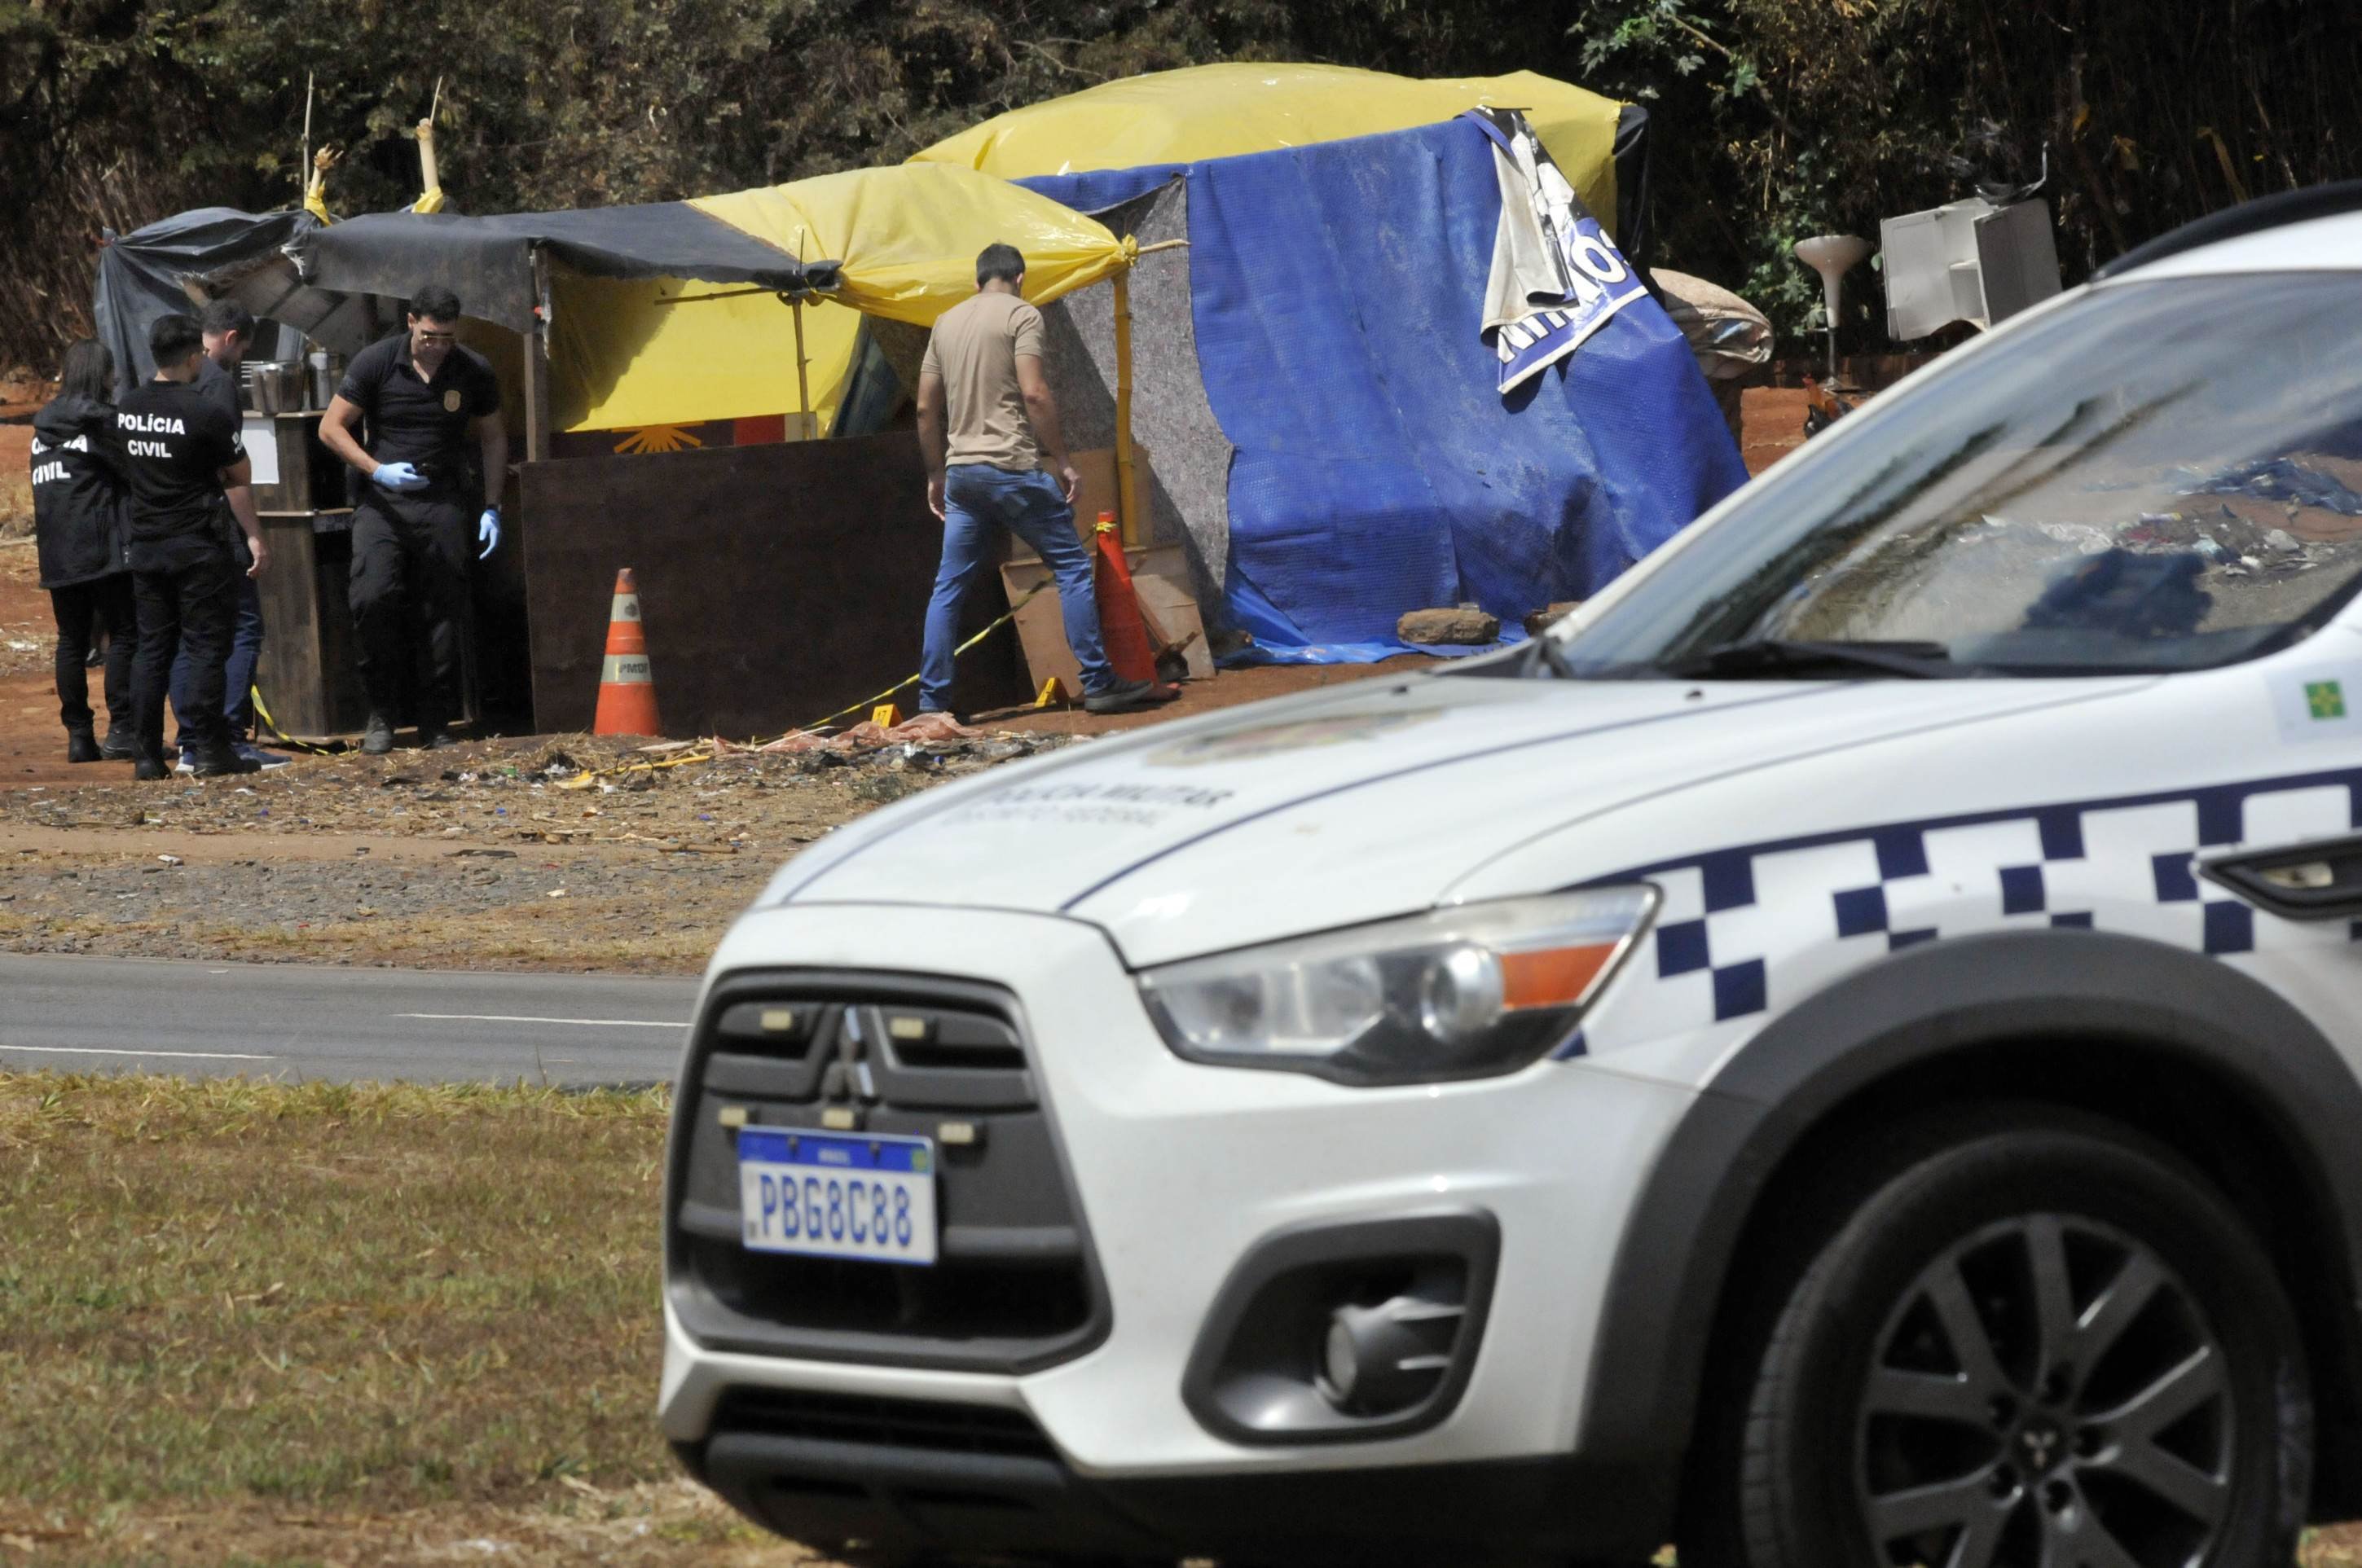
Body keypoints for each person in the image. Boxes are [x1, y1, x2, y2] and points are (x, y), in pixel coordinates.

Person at [915, 243, 1159, 717]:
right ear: (1020, 278)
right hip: (1011, 469)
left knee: (948, 589)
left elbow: (926, 408)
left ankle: (932, 704)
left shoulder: (945, 322)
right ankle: (1099, 681)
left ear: (977, 282)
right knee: (1069, 567)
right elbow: (1035, 393)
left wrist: (934, 474)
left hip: (963, 476)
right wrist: (1064, 460)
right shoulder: (1022, 316)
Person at [318, 285, 506, 754]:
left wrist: (492, 506)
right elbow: (330, 427)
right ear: (410, 322)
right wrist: (376, 469)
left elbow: (493, 438)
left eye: (446, 337)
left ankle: (435, 721)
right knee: (373, 597)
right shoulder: (377, 362)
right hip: (383, 503)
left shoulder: (472, 369)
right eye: (429, 336)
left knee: (442, 613)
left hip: (443, 501)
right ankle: (381, 712)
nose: (437, 345)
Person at [117, 313, 268, 779]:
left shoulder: (127, 407)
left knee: (152, 648)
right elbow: (240, 474)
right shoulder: (204, 411)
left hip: (146, 543)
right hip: (197, 545)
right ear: (190, 357)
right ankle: (209, 750)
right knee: (205, 646)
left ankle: (146, 754)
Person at [166, 298, 286, 771]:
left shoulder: (169, 380)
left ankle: (191, 741)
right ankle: (231, 737)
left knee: (185, 634)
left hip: (171, 528)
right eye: (242, 350)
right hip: (214, 527)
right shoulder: (219, 387)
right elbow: (231, 476)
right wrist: (254, 536)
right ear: (232, 338)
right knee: (244, 626)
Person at [30, 338, 137, 762]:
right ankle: (123, 729)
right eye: (111, 371)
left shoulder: (42, 430)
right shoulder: (100, 424)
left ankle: (78, 737)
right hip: (102, 549)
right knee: (125, 635)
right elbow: (133, 472)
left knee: (71, 641)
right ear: (101, 375)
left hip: (56, 551)